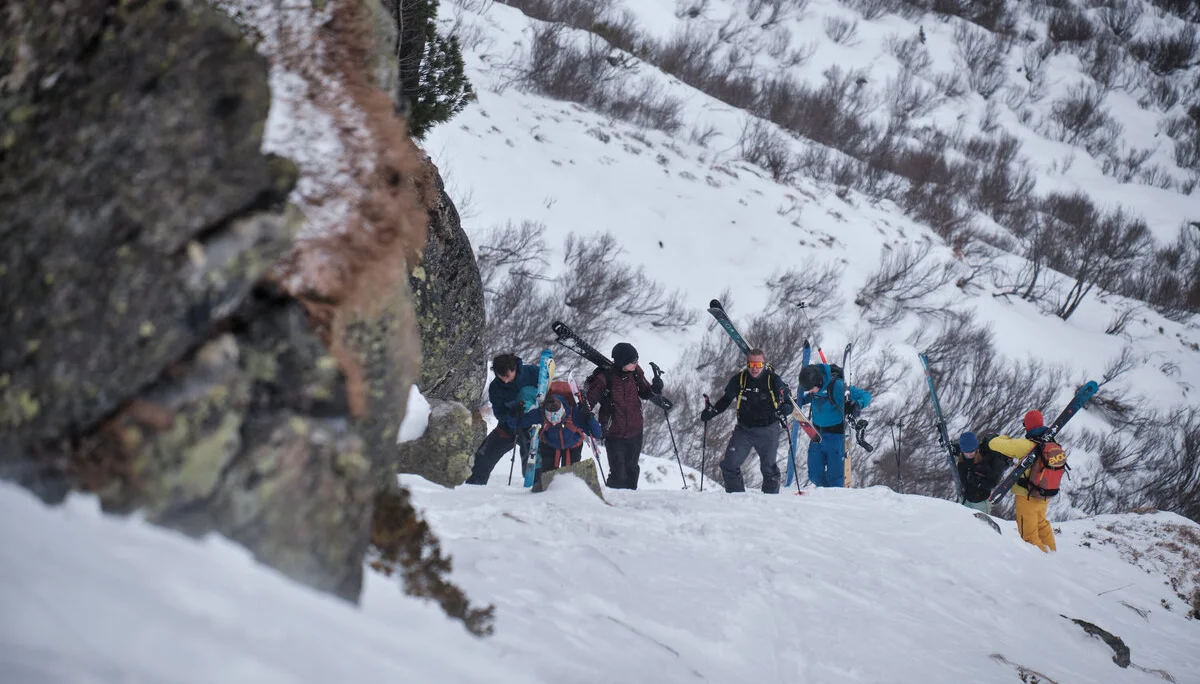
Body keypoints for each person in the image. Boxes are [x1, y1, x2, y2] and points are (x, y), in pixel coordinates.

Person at [700, 349, 793, 493]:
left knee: (769, 468)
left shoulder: (773, 379)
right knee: (729, 465)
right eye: (751, 364)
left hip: (768, 430)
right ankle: (737, 499)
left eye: (758, 364)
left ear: (764, 364)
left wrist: (785, 409)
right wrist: (712, 412)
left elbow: (788, 402)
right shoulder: (740, 379)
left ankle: (771, 502)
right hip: (744, 430)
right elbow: (725, 400)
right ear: (747, 364)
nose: (755, 368)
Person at [979, 410, 1064, 552]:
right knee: (1042, 524)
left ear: (1027, 426)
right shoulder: (1051, 443)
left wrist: (1003, 437)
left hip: (1027, 496)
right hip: (1044, 493)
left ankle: (1045, 564)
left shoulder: (1026, 445)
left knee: (1029, 536)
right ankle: (1053, 553)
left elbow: (994, 444)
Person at [585, 342, 662, 490]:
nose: (636, 363)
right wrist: (587, 415)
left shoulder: (635, 372)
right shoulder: (604, 378)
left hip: (635, 430)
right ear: (622, 362)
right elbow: (589, 400)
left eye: (637, 360)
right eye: (633, 361)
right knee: (618, 475)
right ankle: (613, 504)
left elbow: (645, 392)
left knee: (632, 470)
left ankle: (630, 505)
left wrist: (655, 388)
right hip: (614, 433)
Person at [464, 353, 540, 485]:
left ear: (514, 368)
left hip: (534, 429)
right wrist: (512, 416)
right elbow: (499, 413)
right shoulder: (495, 387)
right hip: (509, 428)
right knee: (483, 455)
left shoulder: (533, 373)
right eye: (501, 377)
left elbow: (550, 392)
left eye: (507, 376)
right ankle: (473, 487)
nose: (505, 380)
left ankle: (539, 491)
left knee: (535, 462)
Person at [796, 362, 872, 488]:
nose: (809, 392)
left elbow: (866, 396)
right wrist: (798, 402)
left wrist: (857, 405)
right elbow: (810, 397)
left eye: (810, 389)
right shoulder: (814, 387)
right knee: (814, 475)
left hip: (836, 436)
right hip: (816, 434)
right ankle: (825, 497)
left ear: (819, 382)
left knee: (835, 479)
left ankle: (835, 501)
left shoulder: (837, 386)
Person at [519, 395, 603, 484]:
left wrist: (590, 418)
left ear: (563, 412)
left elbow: (597, 434)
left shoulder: (574, 413)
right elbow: (520, 423)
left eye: (556, 418)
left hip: (573, 446)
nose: (554, 423)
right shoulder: (540, 413)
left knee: (569, 479)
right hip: (550, 445)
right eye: (550, 419)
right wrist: (516, 414)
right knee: (548, 479)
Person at [956, 431, 1008, 514]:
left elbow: (992, 483)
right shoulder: (962, 461)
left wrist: (977, 481)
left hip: (981, 503)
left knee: (980, 525)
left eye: (971, 452)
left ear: (976, 449)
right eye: (966, 452)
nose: (969, 455)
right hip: (965, 500)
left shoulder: (983, 463)